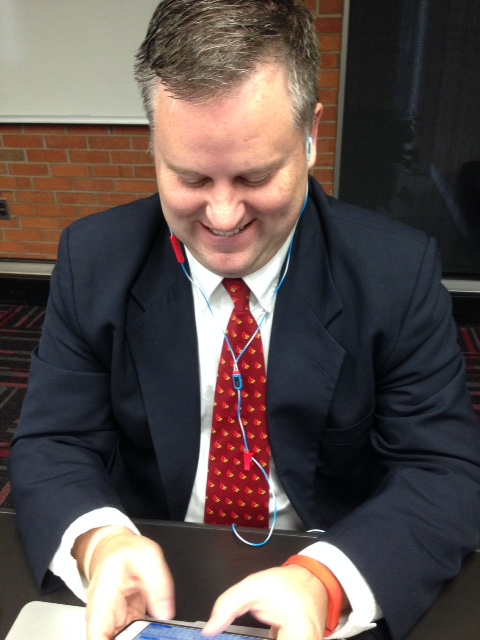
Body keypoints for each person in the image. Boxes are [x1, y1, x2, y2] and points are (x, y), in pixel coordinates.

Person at [9, 1, 480, 639]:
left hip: (326, 566)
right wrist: (99, 542)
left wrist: (324, 582)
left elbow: (443, 472)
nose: (223, 217)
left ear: (311, 135)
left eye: (255, 176)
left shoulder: (394, 273)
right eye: (190, 177)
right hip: (153, 580)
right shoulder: (95, 261)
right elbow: (54, 443)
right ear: (154, 144)